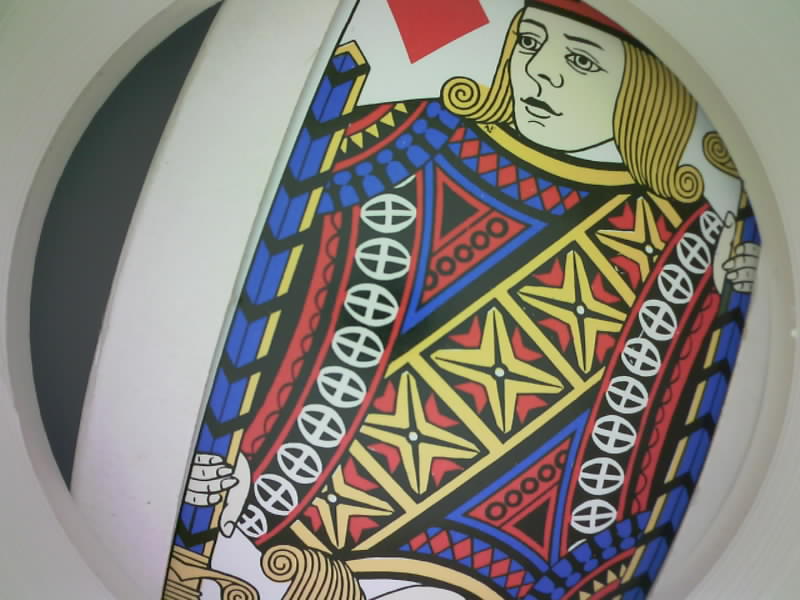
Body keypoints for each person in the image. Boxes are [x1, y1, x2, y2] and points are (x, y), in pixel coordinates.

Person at [172, 2, 758, 599]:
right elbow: (292, 292)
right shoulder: (406, 140)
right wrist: (225, 467)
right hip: (291, 504)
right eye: (529, 42)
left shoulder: (684, 240)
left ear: (647, 93)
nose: (542, 72)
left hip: (501, 556)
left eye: (581, 61)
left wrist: (728, 279)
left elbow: (653, 420)